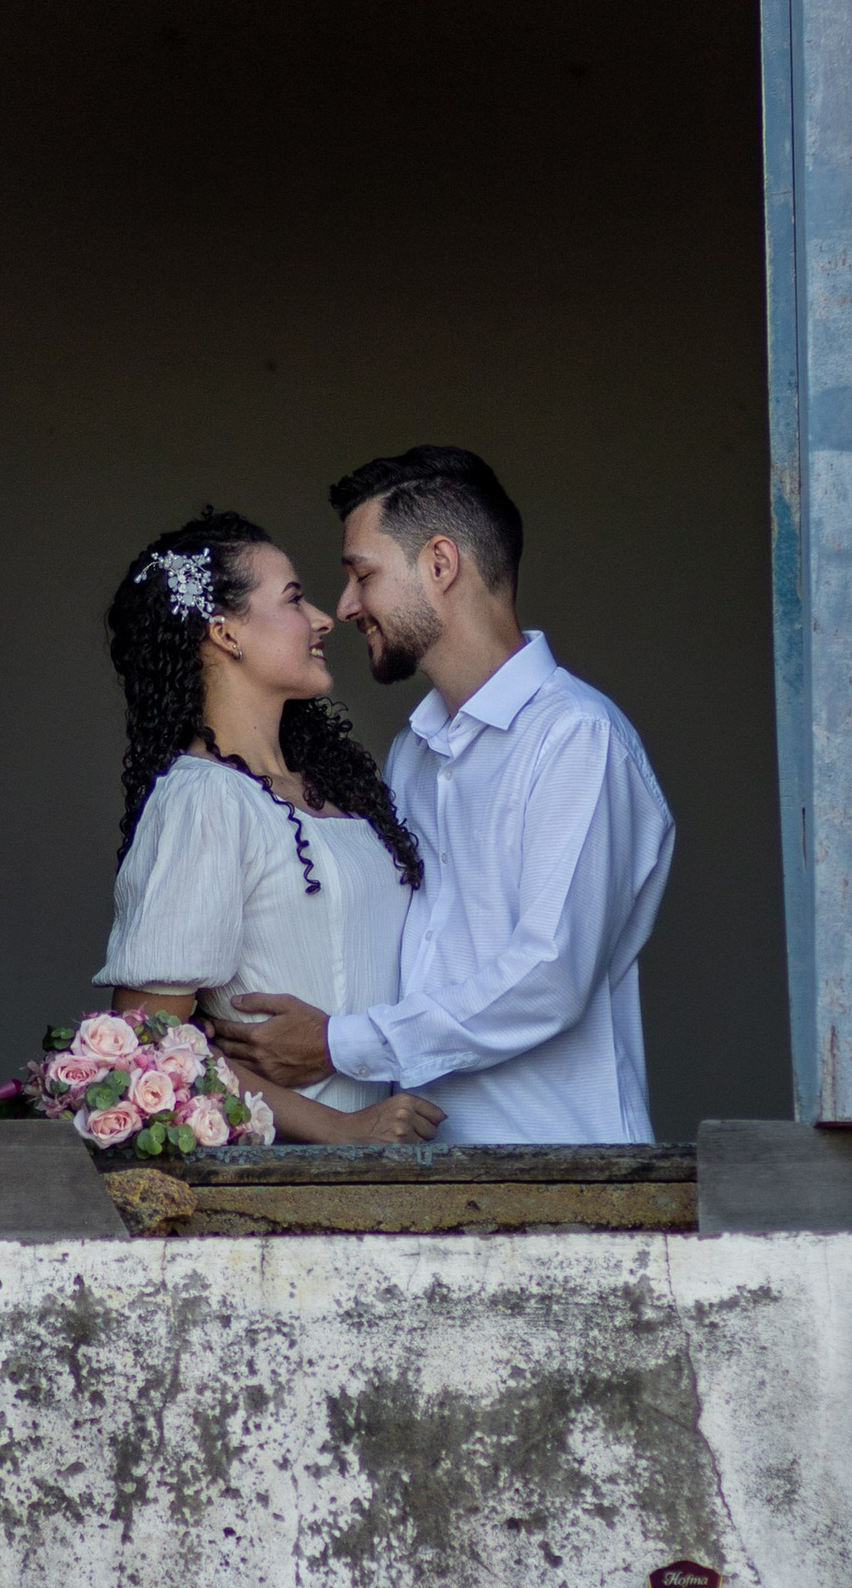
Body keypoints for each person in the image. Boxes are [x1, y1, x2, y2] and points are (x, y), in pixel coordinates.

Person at [226, 446, 675, 1143]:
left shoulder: (576, 737)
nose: (345, 606)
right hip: (421, 1169)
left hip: (561, 1164)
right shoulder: (413, 752)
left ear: (439, 564)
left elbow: (550, 974)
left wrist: (340, 1043)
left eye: (363, 574)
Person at [96, 509, 448, 1146]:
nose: (322, 618)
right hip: (289, 1169)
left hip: (388, 1158)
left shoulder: (338, 790)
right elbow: (148, 1041)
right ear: (225, 632)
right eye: (293, 599)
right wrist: (343, 1128)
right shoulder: (205, 798)